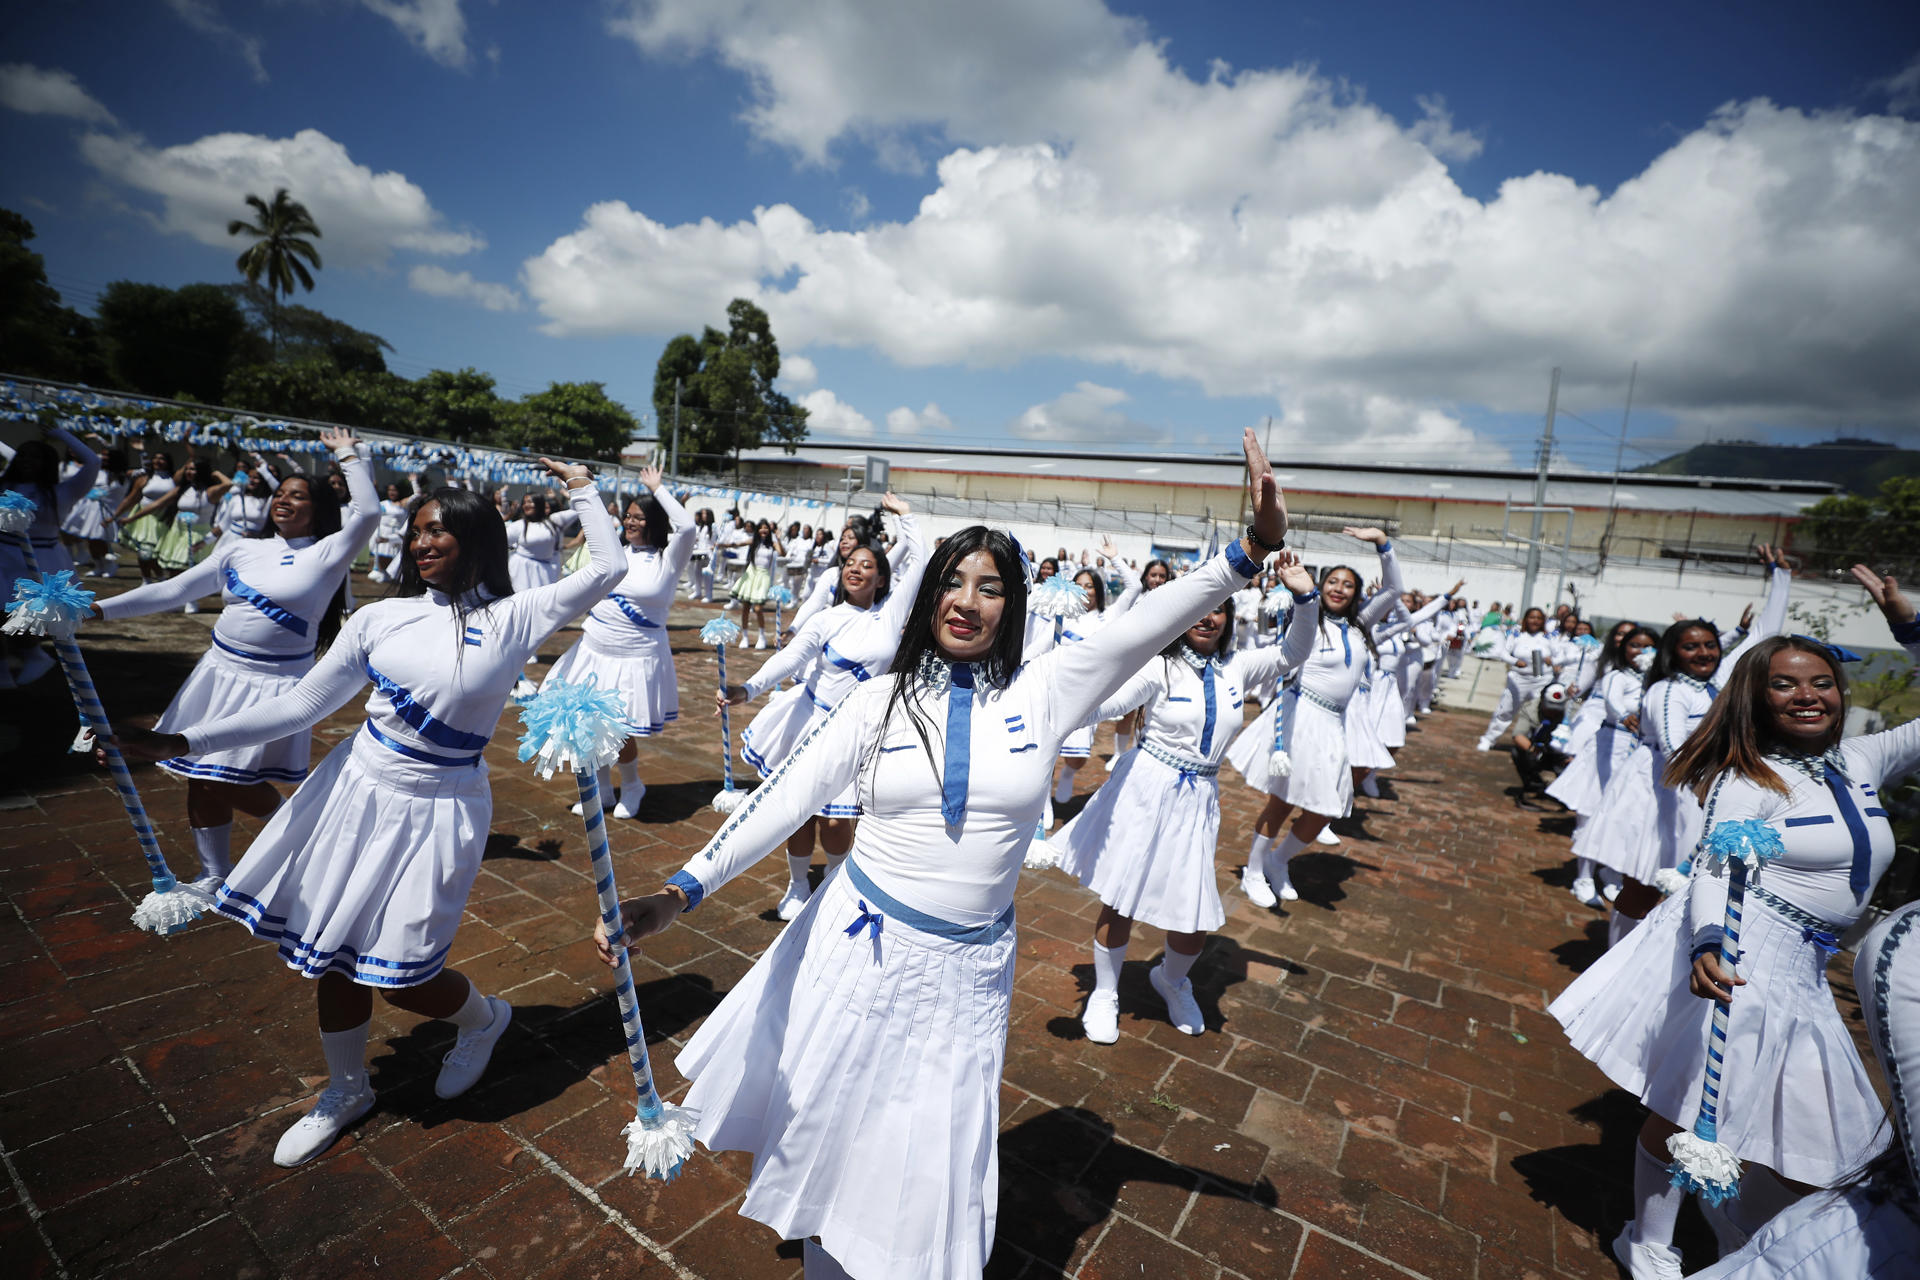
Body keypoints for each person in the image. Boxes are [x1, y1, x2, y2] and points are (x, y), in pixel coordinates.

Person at [593, 428, 1287, 1280]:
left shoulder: (1047, 687)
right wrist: (679, 891)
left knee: (928, 1148)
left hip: (966, 972)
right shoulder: (879, 699)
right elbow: (784, 799)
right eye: (952, 584)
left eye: (990, 587)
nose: (968, 601)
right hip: (857, 945)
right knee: (835, 1121)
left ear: (1012, 606)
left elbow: (1143, 625)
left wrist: (1248, 550)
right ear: (926, 602)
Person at [107, 454, 625, 1168]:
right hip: (354, 789)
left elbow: (607, 568)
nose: (421, 543)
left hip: (442, 804)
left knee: (406, 971)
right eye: (415, 532)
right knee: (334, 956)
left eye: (437, 531)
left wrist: (581, 487)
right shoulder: (381, 616)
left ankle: (484, 1018)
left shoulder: (516, 616)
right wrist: (179, 738)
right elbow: (301, 703)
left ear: (476, 539)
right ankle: (346, 1089)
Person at [1550, 622, 1919, 1280]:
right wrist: (1710, 942)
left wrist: (1911, 625)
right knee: (1690, 1102)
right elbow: (1716, 869)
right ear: (1756, 697)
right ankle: (1650, 1240)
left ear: (1840, 690)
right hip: (1744, 953)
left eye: (1821, 682)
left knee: (1814, 1126)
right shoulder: (1747, 776)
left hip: (1808, 965)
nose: (1807, 695)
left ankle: (1738, 1220)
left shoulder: (1863, 760)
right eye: (1784, 684)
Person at [91, 429, 377, 886]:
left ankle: (298, 832)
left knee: (229, 777)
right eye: (280, 493)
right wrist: (97, 610)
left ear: (318, 509)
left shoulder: (328, 552)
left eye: (298, 496)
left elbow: (370, 511)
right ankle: (212, 875)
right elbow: (176, 589)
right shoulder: (241, 548)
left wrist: (346, 453)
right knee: (201, 774)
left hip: (274, 682)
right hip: (218, 672)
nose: (283, 500)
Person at [1054, 552, 1316, 1044]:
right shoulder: (1162, 667)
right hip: (1145, 787)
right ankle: (1105, 992)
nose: (1208, 616)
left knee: (1193, 911)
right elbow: (1112, 702)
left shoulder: (1239, 666)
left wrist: (1305, 597)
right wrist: (1063, 699)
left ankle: (1171, 979)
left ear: (1228, 616)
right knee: (1122, 895)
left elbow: (1293, 654)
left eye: (1218, 608)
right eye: (1200, 607)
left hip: (1199, 797)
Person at [722, 494, 924, 919]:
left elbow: (919, 560)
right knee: (800, 814)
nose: (856, 568)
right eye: (852, 562)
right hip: (810, 721)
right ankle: (796, 886)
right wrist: (748, 688)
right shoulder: (825, 620)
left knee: (837, 820)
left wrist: (907, 517)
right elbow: (790, 658)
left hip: (858, 731)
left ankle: (833, 884)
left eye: (868, 565)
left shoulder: (889, 616)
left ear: (882, 580)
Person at [1585, 548, 1792, 935]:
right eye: (1691, 646)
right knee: (1644, 886)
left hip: (1697, 791)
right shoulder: (1667, 690)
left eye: (1710, 645)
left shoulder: (1713, 682)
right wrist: (1710, 782)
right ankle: (1613, 964)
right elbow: (1673, 747)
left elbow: (1764, 635)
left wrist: (1780, 578)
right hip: (1665, 794)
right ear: (1673, 653)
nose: (1704, 653)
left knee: (1685, 890)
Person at [1225, 528, 1403, 905]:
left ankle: (1279, 860)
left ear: (1356, 594)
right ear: (1321, 586)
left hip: (1335, 724)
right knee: (1282, 802)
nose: (1339, 588)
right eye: (1333, 581)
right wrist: (1299, 590)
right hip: (1300, 716)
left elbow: (1393, 592)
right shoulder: (1309, 616)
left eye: (1349, 585)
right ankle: (1253, 871)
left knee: (1327, 806)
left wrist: (1383, 543)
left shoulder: (1359, 625)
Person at [541, 467, 697, 818]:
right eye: (627, 516)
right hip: (594, 648)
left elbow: (687, 526)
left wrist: (657, 489)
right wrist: (577, 485)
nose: (630, 522)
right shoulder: (613, 550)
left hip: (636, 655)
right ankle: (602, 790)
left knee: (621, 729)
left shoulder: (668, 558)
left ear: (654, 521)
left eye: (639, 517)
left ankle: (631, 785)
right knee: (588, 722)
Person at [0, 423, 102, 687]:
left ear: (47, 463)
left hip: (38, 560)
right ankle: (4, 665)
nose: (27, 461)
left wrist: (60, 433)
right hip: (2, 556)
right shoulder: (5, 482)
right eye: (23, 455)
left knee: (22, 618)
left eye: (36, 457)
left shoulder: (64, 491)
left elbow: (92, 462)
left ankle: (33, 655)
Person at [1476, 607, 1560, 750]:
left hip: (1541, 679)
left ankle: (1533, 742)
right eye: (1532, 617)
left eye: (1539, 618)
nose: (1535, 621)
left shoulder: (1549, 637)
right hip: (1518, 679)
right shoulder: (1516, 634)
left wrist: (1552, 661)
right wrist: (1515, 662)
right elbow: (1503, 653)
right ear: (1526, 619)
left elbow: (1558, 655)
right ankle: (1489, 739)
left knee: (1537, 713)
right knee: (1505, 710)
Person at [58, 442, 128, 578]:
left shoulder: (122, 475)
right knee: (91, 540)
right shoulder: (98, 471)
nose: (104, 458)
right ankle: (98, 566)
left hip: (107, 510)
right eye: (104, 455)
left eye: (107, 456)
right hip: (90, 509)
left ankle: (109, 565)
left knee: (100, 540)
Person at [729, 518, 786, 647]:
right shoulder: (753, 542)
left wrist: (779, 539)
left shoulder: (773, 543)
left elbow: (783, 553)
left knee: (758, 608)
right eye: (761, 528)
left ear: (769, 530)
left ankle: (762, 637)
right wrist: (721, 545)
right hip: (751, 574)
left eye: (766, 528)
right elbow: (738, 544)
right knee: (745, 607)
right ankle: (745, 637)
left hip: (763, 576)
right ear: (758, 530)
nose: (763, 530)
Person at [367, 481, 412, 583]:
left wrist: (414, 482)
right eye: (390, 490)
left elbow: (416, 497)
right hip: (383, 532)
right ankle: (382, 572)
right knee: (382, 554)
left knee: (396, 556)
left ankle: (394, 574)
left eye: (394, 490)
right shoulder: (383, 504)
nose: (392, 492)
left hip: (398, 533)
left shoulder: (404, 504)